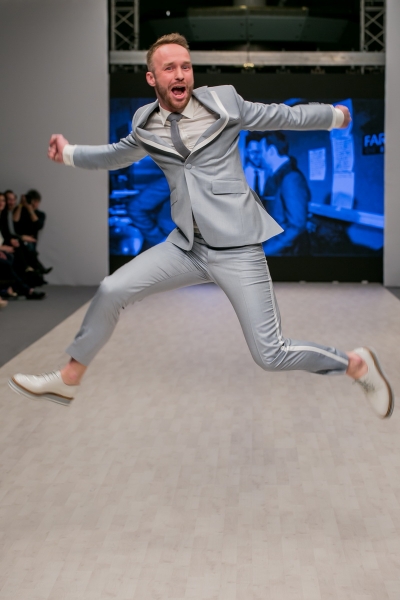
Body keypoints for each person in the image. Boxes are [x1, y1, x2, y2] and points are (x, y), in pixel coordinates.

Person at [9, 33, 394, 419]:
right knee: (112, 289)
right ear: (152, 78)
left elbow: (283, 115)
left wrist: (335, 116)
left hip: (238, 250)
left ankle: (355, 364)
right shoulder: (145, 122)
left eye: (186, 66)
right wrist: (70, 153)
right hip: (186, 246)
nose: (180, 74)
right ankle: (69, 378)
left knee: (270, 354)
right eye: (170, 68)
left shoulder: (224, 103)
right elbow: (115, 156)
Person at [260, 131, 310, 256]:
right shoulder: (275, 176)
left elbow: (296, 226)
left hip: (283, 253)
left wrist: (265, 251)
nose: (260, 156)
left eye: (262, 151)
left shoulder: (291, 178)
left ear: (271, 151)